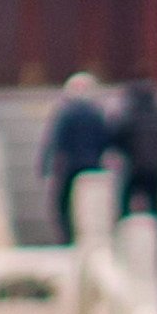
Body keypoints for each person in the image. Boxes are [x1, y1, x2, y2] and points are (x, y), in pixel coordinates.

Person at [37, 72, 117, 240]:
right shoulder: (98, 113)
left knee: (63, 204)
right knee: (93, 204)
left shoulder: (65, 113)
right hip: (93, 164)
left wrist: (44, 167)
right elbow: (108, 139)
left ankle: (68, 238)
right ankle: (91, 238)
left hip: (70, 165)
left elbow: (54, 141)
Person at [113, 79, 157, 221]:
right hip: (156, 168)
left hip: (134, 167)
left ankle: (124, 228)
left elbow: (117, 138)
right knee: (155, 204)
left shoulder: (129, 117)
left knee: (125, 202)